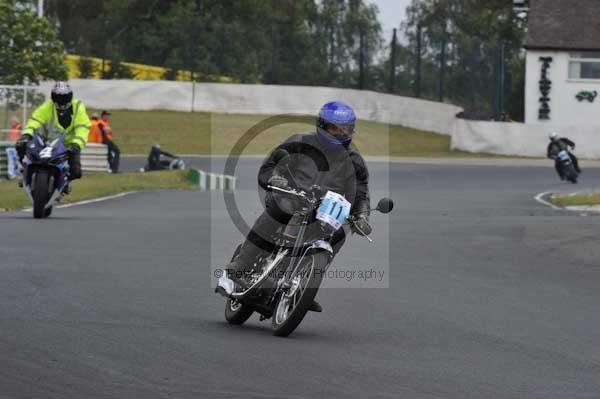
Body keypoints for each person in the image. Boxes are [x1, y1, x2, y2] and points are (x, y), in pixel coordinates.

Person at [217, 101, 372, 312]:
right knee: (280, 211)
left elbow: (360, 192)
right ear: (322, 125)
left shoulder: (354, 161)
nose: (339, 132)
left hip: (323, 210)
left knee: (339, 233)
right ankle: (239, 268)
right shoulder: (299, 141)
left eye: (344, 128)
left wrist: (362, 216)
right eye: (335, 128)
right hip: (290, 196)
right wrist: (276, 179)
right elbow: (271, 165)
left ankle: (306, 284)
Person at [16, 82, 90, 181]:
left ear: (70, 96)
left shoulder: (78, 106)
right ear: (53, 97)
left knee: (76, 173)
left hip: (70, 146)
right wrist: (26, 134)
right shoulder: (47, 106)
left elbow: (83, 127)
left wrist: (77, 144)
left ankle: (65, 183)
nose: (61, 102)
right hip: (49, 143)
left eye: (65, 98)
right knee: (20, 144)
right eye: (58, 98)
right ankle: (24, 168)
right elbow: (35, 120)